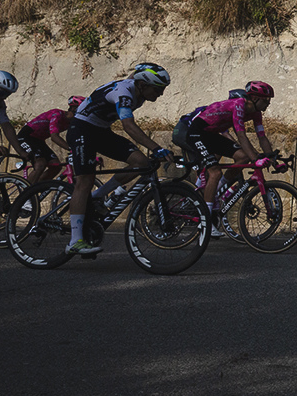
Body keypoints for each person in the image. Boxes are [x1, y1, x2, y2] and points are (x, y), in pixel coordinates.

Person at [65, 63, 174, 255]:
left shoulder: (138, 92)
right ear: (142, 85)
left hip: (100, 130)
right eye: (157, 90)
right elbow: (128, 126)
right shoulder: (124, 91)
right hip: (82, 128)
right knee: (85, 181)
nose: (161, 94)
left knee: (141, 163)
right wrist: (156, 148)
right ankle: (75, 240)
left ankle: (96, 197)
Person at [174, 81, 277, 237]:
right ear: (255, 98)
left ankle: (216, 190)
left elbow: (262, 137)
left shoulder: (256, 113)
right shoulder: (239, 105)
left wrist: (272, 159)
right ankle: (206, 222)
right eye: (266, 100)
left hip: (211, 135)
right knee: (214, 173)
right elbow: (240, 135)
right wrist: (256, 158)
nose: (268, 103)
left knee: (242, 158)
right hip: (197, 132)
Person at [16, 95, 85, 183]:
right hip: (26, 136)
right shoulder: (57, 114)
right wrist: (71, 148)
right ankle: (26, 194)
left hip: (38, 140)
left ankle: (36, 189)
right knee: (40, 164)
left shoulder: (71, 122)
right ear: (74, 109)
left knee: (56, 166)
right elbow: (54, 137)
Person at [0, 70, 20, 161]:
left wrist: (20, 151)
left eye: (7, 95)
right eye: (2, 93)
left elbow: (6, 126)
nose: (4, 97)